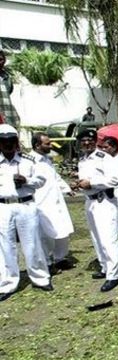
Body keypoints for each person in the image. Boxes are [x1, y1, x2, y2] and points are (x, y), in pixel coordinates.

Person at [0, 124, 51, 302]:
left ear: (16, 142)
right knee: (5, 246)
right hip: (3, 206)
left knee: (32, 243)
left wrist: (26, 180)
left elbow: (41, 181)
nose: (8, 145)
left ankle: (40, 278)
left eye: (11, 141)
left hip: (25, 205)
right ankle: (7, 283)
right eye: (4, 142)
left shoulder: (28, 160)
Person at [73, 129, 118, 292]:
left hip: (104, 201)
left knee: (108, 239)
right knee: (97, 238)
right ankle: (104, 268)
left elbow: (115, 179)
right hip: (90, 202)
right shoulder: (83, 159)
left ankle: (113, 275)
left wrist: (92, 183)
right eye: (83, 141)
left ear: (95, 141)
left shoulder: (104, 158)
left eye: (89, 140)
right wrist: (80, 183)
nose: (86, 143)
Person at [31, 132, 75, 273]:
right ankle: (48, 262)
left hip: (56, 200)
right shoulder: (30, 161)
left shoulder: (47, 159)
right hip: (42, 203)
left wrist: (67, 189)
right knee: (46, 234)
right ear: (37, 145)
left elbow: (55, 177)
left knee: (62, 231)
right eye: (47, 143)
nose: (51, 146)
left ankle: (60, 258)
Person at [0, 50, 20, 127]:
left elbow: (9, 94)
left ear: (4, 61)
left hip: (7, 116)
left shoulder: (7, 78)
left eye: (1, 59)